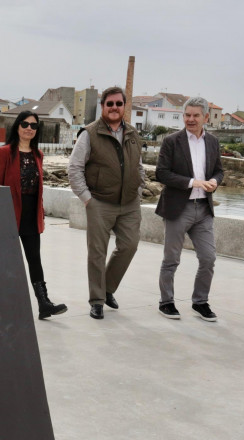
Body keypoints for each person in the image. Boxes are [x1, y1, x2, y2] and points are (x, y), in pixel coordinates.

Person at [68, 86, 145, 320]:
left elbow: (139, 167)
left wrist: (139, 191)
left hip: (129, 203)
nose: (114, 108)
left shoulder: (132, 133)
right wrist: (87, 200)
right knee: (97, 253)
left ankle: (108, 287)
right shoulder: (89, 134)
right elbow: (74, 168)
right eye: (109, 104)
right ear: (102, 107)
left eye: (118, 104)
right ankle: (97, 300)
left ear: (124, 106)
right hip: (99, 202)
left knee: (129, 246)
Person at [0, 110, 67, 320]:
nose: (29, 129)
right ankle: (0, 304)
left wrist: (40, 214)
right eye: (25, 124)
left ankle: (44, 304)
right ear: (17, 126)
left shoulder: (38, 155)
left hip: (32, 214)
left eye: (34, 126)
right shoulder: (5, 152)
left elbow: (38, 188)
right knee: (7, 261)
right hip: (10, 213)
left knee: (35, 259)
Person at [154, 97, 225, 322]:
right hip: (178, 208)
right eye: (187, 115)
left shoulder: (213, 142)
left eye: (196, 116)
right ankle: (166, 301)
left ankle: (200, 302)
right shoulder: (171, 141)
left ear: (205, 118)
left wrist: (214, 180)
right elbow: (161, 173)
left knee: (208, 258)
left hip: (204, 209)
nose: (191, 119)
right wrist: (192, 182)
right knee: (171, 259)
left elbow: (219, 170)